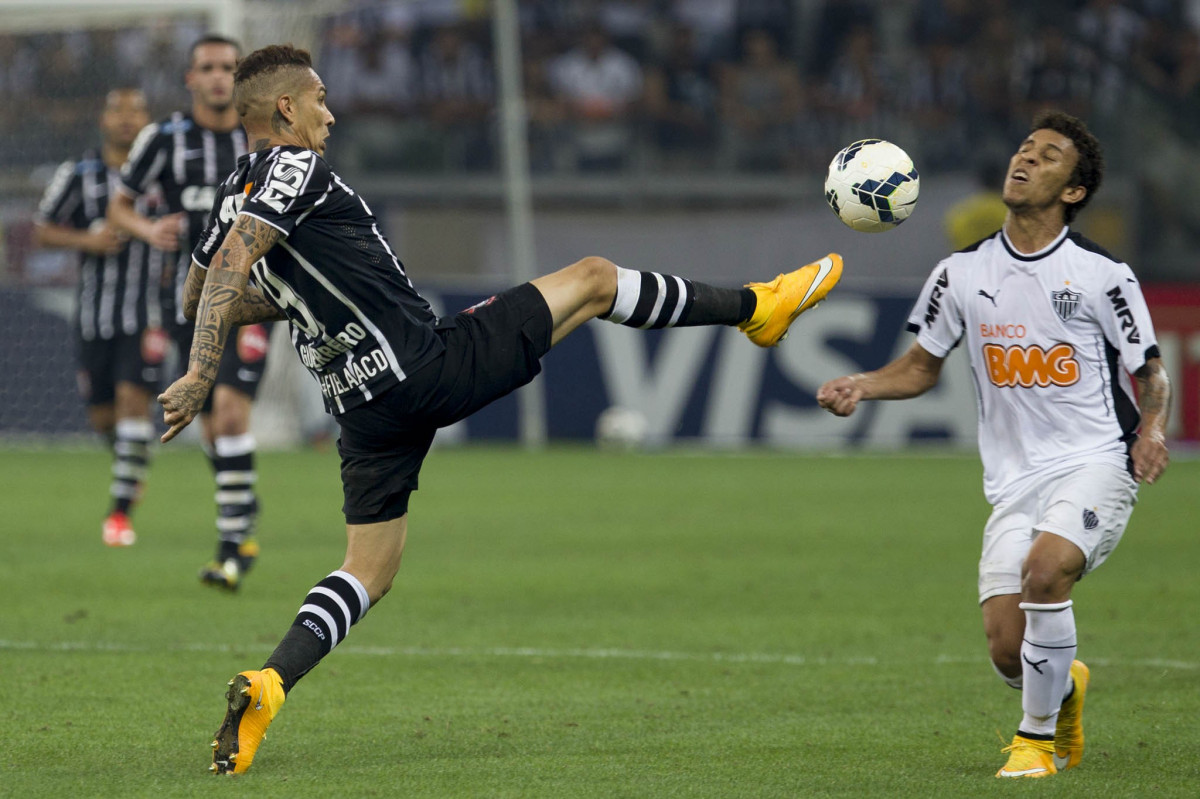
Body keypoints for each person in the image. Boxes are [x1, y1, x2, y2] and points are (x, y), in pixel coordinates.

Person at [154, 44, 843, 775]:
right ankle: (757, 307)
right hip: (423, 367)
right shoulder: (297, 167)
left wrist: (297, 301)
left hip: (360, 410)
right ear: (286, 109)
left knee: (368, 570)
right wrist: (201, 374)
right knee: (593, 277)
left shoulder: (234, 187)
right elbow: (229, 269)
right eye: (319, 97)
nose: (331, 110)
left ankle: (269, 683)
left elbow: (196, 293)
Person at [817, 110, 1171, 779]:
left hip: (1096, 460)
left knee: (1046, 572)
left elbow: (1150, 372)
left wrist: (1151, 428)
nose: (1026, 159)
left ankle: (1035, 741)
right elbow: (921, 367)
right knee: (1010, 650)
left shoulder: (1101, 274)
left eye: (1048, 156)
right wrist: (863, 384)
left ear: (1073, 190)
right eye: (1024, 148)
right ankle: (1062, 689)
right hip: (1013, 479)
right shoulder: (960, 273)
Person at [107, 35, 269, 590]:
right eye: (209, 67)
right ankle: (242, 502)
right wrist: (150, 229)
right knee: (206, 428)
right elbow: (119, 207)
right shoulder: (165, 138)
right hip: (186, 304)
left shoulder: (262, 138)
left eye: (229, 67)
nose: (220, 76)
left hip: (247, 303)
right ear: (190, 78)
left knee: (228, 413)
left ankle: (233, 550)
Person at [33, 87, 160, 547]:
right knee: (103, 417)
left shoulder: (163, 176)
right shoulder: (80, 174)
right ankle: (132, 462)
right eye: (117, 111)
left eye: (136, 111)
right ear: (103, 120)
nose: (127, 119)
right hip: (93, 316)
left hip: (147, 313)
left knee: (132, 401)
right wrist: (88, 241)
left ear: (149, 120)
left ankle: (120, 513)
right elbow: (43, 229)